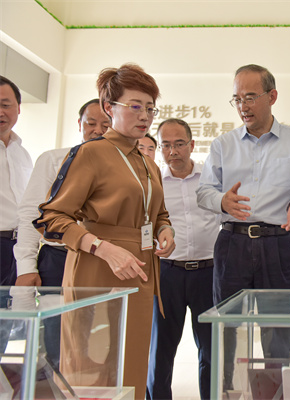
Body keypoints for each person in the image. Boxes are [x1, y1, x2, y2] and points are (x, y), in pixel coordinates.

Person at [34, 63, 175, 398]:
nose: (145, 116)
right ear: (109, 107)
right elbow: (51, 218)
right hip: (97, 267)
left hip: (139, 270)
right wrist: (102, 248)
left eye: (150, 108)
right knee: (92, 369)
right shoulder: (90, 154)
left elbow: (158, 213)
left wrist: (165, 230)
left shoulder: (148, 162)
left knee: (132, 363)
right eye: (135, 106)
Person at [196, 64, 290, 390]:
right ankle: (226, 391)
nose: (243, 106)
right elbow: (204, 191)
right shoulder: (223, 144)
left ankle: (274, 393)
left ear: (272, 96)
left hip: (277, 244)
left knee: (277, 332)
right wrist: (222, 201)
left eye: (250, 97)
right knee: (227, 330)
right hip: (233, 244)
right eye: (237, 99)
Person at [13, 99, 111, 368]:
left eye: (106, 124)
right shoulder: (53, 160)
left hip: (98, 259)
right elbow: (32, 214)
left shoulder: (120, 168)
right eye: (91, 123)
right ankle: (51, 382)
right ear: (79, 124)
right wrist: (26, 267)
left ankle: (75, 382)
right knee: (54, 338)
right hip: (58, 258)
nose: (98, 130)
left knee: (87, 336)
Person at [146, 119, 219, 399]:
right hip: (168, 273)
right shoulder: (153, 183)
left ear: (191, 144)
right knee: (161, 349)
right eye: (166, 145)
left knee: (211, 349)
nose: (172, 151)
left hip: (208, 273)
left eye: (179, 144)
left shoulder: (211, 178)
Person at [0, 75, 33, 286]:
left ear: (18, 108)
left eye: (5, 105)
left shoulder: (22, 153)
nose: (0, 112)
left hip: (17, 248)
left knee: (12, 305)